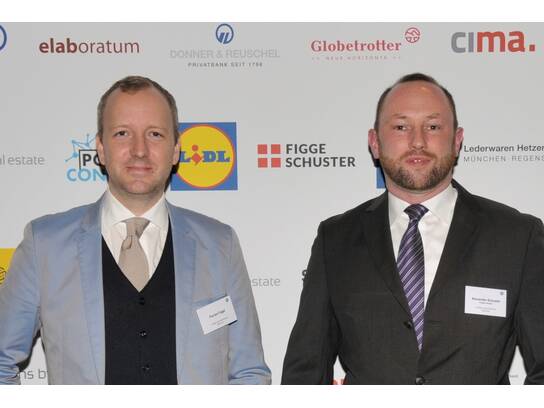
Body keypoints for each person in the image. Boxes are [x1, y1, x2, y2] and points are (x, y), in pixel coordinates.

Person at [0, 76, 271, 385]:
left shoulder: (220, 245)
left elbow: (249, 372)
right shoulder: (45, 245)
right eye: (122, 133)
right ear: (100, 148)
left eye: (155, 134)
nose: (139, 150)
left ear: (175, 150)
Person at [281, 73, 544, 385]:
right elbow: (305, 372)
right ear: (375, 143)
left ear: (457, 140)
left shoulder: (517, 237)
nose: (418, 141)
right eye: (401, 127)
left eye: (433, 127)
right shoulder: (336, 241)